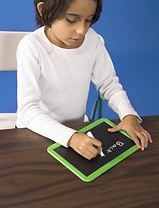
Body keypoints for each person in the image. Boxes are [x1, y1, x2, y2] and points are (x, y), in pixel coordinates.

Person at [16, 0, 152, 160]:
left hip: (78, 129)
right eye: (71, 20)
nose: (82, 30)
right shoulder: (31, 47)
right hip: (37, 133)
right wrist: (71, 137)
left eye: (89, 19)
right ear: (44, 10)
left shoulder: (92, 40)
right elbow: (27, 110)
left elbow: (109, 84)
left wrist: (128, 115)